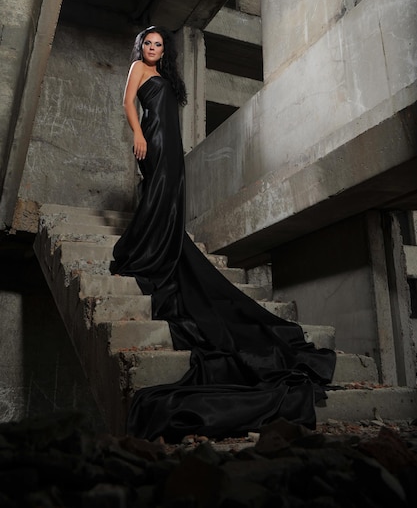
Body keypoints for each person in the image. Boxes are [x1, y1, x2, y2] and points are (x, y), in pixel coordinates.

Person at [110, 26, 336, 443]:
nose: (153, 48)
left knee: (171, 198)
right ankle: (149, 250)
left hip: (172, 145)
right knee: (156, 196)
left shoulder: (166, 76)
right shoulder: (137, 69)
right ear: (140, 46)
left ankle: (161, 244)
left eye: (159, 44)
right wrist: (139, 134)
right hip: (153, 141)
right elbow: (128, 104)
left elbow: (170, 115)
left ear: (165, 50)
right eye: (148, 43)